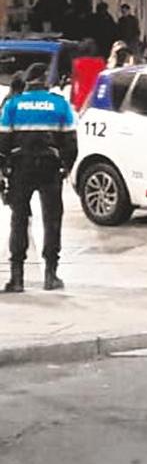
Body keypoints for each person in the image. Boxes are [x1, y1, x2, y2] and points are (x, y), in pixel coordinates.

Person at [0, 62, 77, 292]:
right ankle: (51, 276)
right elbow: (71, 142)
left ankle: (17, 278)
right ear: (46, 81)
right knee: (52, 220)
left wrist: (3, 171)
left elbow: (2, 142)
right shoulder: (59, 104)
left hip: (20, 168)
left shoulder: (13, 105)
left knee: (19, 219)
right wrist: (65, 167)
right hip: (50, 168)